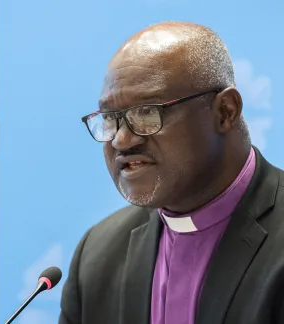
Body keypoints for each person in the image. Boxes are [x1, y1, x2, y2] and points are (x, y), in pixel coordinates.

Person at [60, 21, 284, 324]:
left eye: (148, 112)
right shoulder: (97, 255)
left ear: (225, 111)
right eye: (111, 118)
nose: (122, 139)